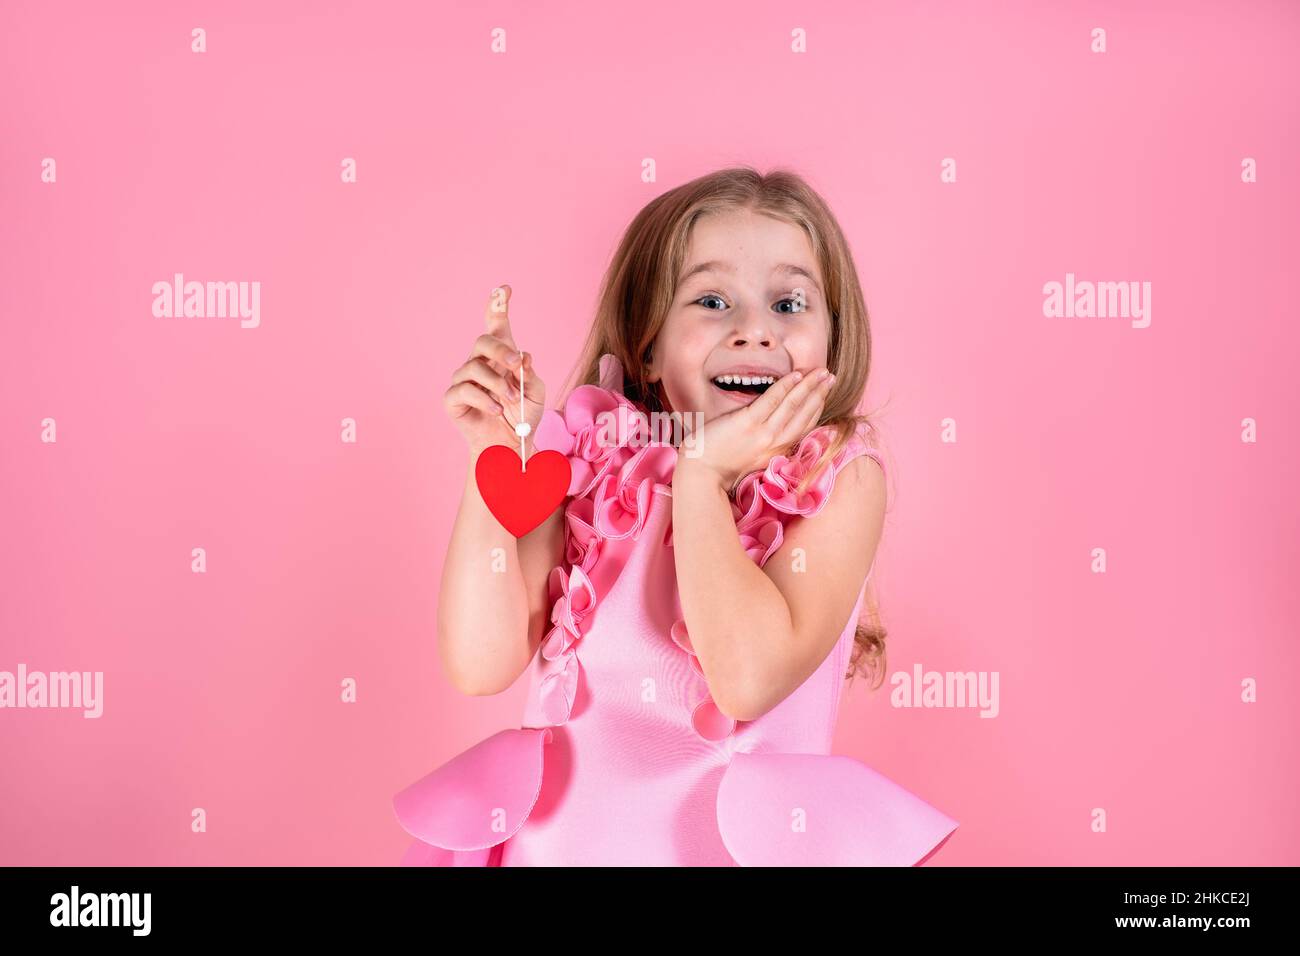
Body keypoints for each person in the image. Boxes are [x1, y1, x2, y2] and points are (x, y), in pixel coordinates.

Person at [393, 166, 958, 865]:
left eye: (790, 304)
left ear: (833, 344)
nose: (754, 329)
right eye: (713, 300)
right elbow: (482, 661)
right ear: (649, 345)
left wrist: (700, 477)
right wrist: (492, 452)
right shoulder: (594, 463)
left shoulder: (837, 478)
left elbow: (746, 678)